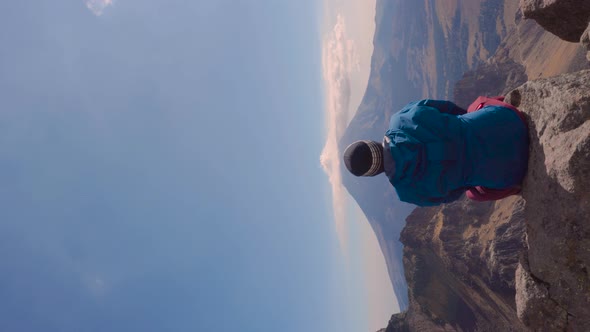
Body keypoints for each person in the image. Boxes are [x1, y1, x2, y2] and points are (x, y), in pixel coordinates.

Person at [342, 97, 529, 207]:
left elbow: (452, 194)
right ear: (371, 143)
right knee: (476, 107)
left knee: (474, 192)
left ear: (373, 172)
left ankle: (520, 185)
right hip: (510, 120)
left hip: (511, 173)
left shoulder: (406, 192)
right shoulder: (400, 119)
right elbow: (448, 108)